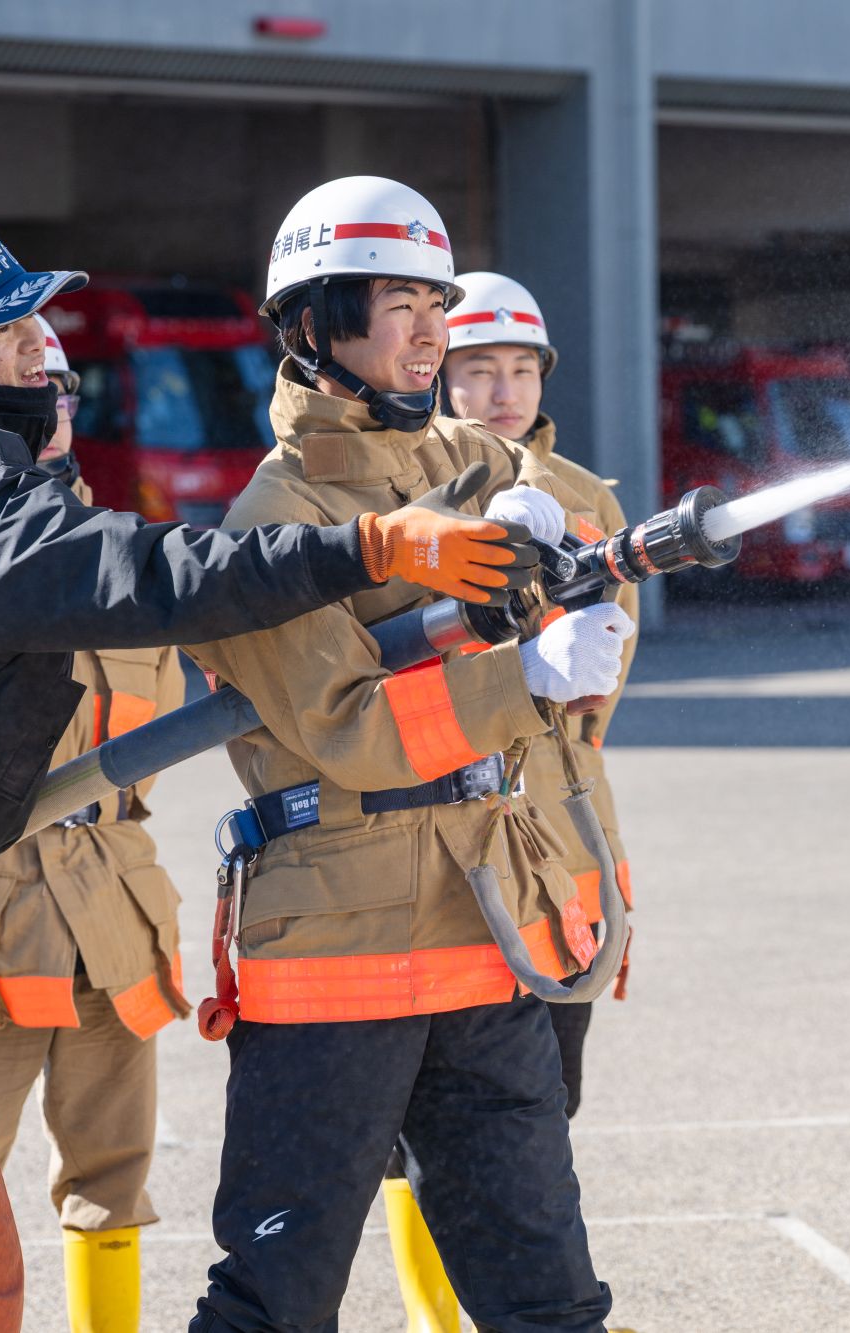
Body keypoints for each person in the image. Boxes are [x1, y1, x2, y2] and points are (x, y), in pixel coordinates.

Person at [0, 217, 538, 1333]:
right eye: (2, 330)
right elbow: (160, 573)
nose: (34, 345)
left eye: (32, 315)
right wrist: (373, 548)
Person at [182, 176, 632, 1333]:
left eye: (437, 300)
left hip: (486, 923)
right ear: (316, 322)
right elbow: (356, 729)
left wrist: (583, 581)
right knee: (275, 1301)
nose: (435, 329)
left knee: (549, 1294)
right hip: (339, 950)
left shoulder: (466, 463)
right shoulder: (270, 524)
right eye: (396, 303)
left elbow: (582, 568)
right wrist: (524, 674)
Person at [360, 272, 643, 1331]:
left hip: (561, 831)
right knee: (418, 1118)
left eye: (520, 368)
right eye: (477, 367)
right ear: (436, 372)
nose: (501, 389)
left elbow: (602, 675)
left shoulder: (584, 494)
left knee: (540, 1105)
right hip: (442, 829)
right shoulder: (413, 500)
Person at [0, 314, 185, 1333]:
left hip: (111, 919)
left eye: (65, 384)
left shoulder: (116, 551)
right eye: (30, 375)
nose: (52, 400)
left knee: (113, 1174)